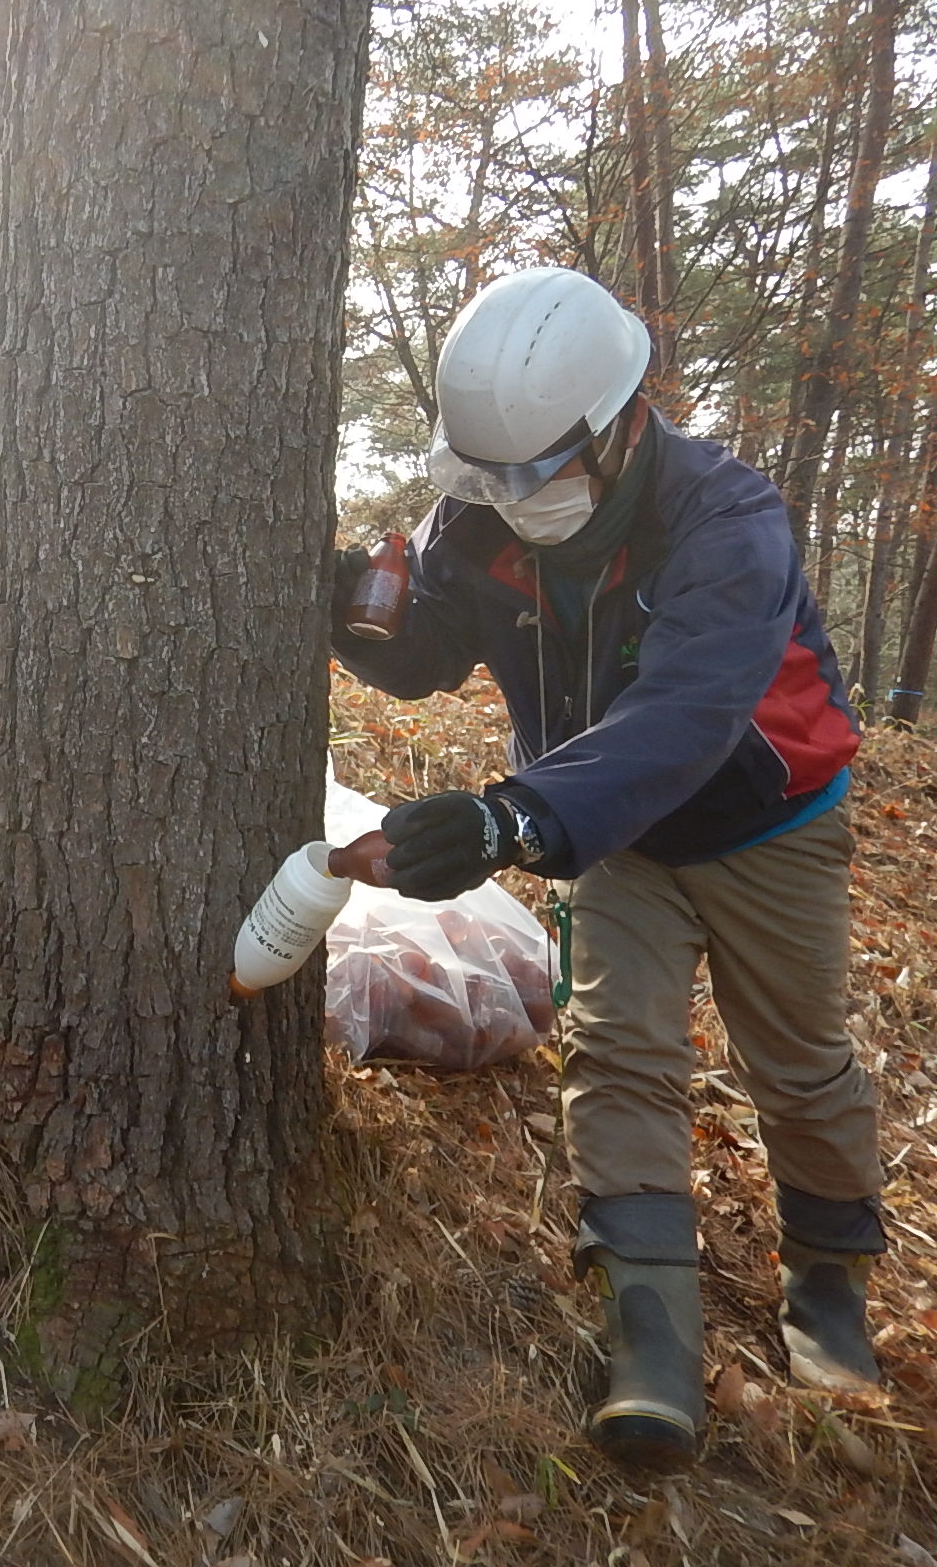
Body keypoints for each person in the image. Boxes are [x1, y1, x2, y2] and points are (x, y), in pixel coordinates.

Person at [329, 266, 879, 1473]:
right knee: (619, 1052)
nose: (508, 499)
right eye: (486, 477)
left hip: (766, 823)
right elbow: (427, 653)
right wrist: (351, 615)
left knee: (797, 1063)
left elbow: (685, 718)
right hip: (613, 832)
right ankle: (651, 1327)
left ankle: (828, 1278)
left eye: (534, 472)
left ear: (621, 420)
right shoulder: (480, 515)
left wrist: (510, 821)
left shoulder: (725, 521)